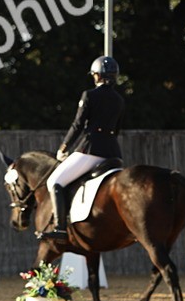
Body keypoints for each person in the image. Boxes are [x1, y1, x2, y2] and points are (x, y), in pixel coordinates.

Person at [40, 55, 126, 240]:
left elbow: (78, 124)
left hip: (91, 150)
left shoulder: (89, 95)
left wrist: (64, 146)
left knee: (54, 182)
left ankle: (60, 228)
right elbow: (117, 129)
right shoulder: (119, 99)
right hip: (114, 153)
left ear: (96, 75)